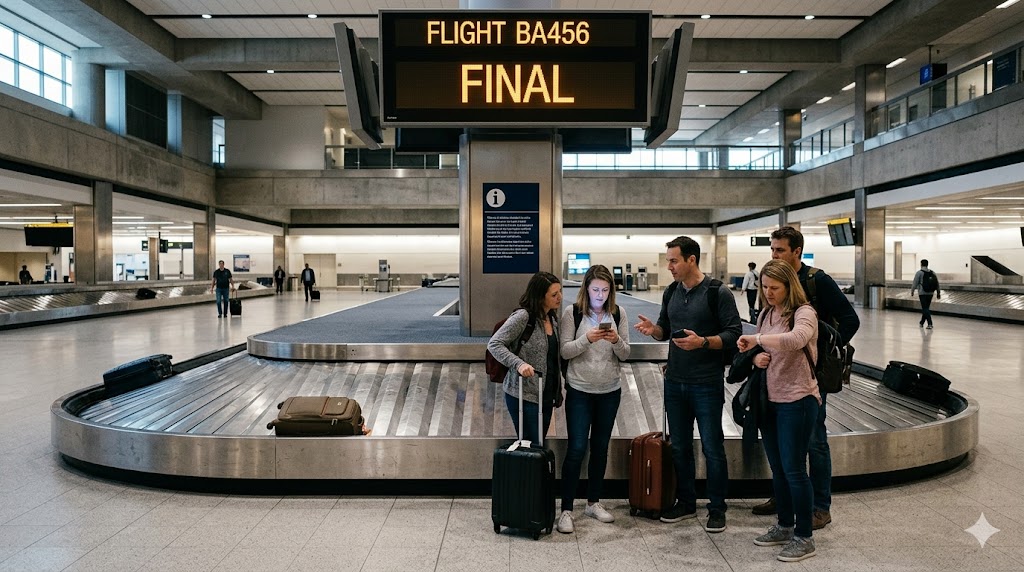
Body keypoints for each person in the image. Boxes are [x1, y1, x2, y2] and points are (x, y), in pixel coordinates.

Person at [752, 226, 860, 530]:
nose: (774, 255)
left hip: (807, 378)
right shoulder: (773, 280)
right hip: (777, 375)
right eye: (772, 250)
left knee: (814, 440)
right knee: (782, 444)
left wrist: (824, 349)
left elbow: (850, 318)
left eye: (780, 250)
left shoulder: (817, 280)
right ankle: (783, 498)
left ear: (797, 251)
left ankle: (820, 506)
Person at [634, 236, 741, 533]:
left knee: (712, 447)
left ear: (691, 260)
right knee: (680, 447)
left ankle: (717, 508)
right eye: (668, 260)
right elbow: (664, 331)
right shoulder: (671, 292)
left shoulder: (717, 292)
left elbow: (734, 333)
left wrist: (703, 342)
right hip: (675, 382)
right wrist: (653, 330)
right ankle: (686, 501)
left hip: (706, 383)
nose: (668, 266)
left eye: (673, 260)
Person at [737, 259, 820, 563]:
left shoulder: (804, 313)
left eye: (775, 287)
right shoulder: (766, 313)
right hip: (770, 400)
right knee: (779, 469)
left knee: (795, 469)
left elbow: (796, 340)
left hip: (798, 400)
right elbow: (765, 350)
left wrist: (758, 339)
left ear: (789, 286)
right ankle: (785, 525)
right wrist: (758, 355)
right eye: (765, 286)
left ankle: (804, 535)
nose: (768, 292)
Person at [556, 265, 630, 534]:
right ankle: (566, 508)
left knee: (600, 448)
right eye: (596, 289)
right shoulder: (572, 313)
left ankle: (593, 502)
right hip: (579, 391)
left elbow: (625, 354)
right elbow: (565, 351)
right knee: (576, 449)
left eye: (605, 290)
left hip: (609, 391)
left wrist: (615, 339)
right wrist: (587, 338)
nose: (600, 295)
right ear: (586, 288)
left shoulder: (619, 313)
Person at [486, 271, 564, 446]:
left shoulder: (552, 318)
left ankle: (537, 474)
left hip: (546, 394)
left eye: (560, 292)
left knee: (539, 444)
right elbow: (495, 344)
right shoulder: (523, 317)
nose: (559, 297)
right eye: (554, 294)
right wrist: (519, 364)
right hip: (524, 394)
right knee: (531, 445)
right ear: (539, 296)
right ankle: (530, 474)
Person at [910, 259, 940, 329]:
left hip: (922, 292)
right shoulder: (933, 273)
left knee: (925, 308)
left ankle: (930, 323)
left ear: (921, 264)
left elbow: (915, 282)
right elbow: (937, 283)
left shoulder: (919, 273)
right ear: (927, 264)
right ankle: (922, 322)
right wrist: (938, 292)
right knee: (926, 308)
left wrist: (912, 291)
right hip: (931, 293)